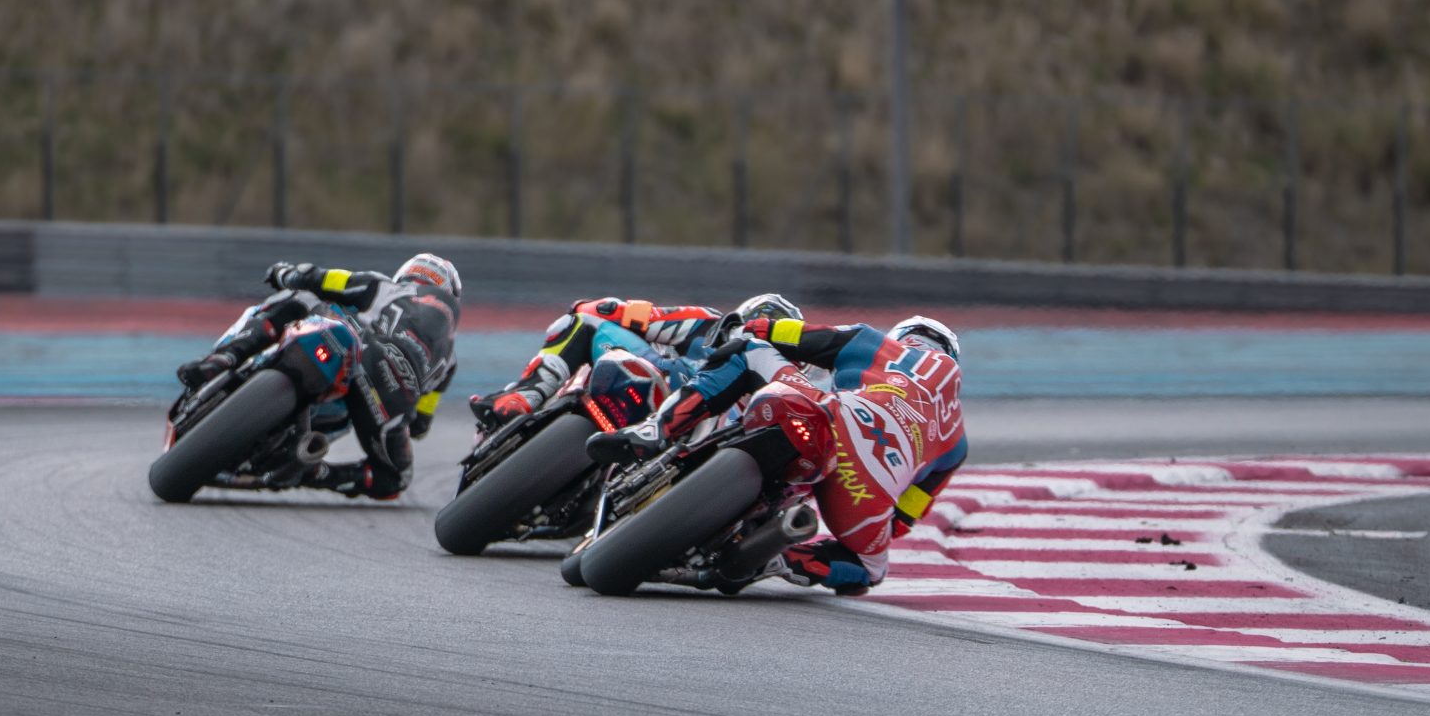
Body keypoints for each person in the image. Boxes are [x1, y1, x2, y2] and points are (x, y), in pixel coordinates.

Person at [617, 313, 968, 596]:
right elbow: (900, 523)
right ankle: (780, 559)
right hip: (862, 491)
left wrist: (747, 328)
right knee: (870, 569)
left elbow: (786, 333)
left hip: (834, 423)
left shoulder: (874, 342)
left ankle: (657, 428)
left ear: (901, 337)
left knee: (748, 349)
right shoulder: (957, 441)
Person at [175, 253, 462, 500]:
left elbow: (317, 277)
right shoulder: (448, 363)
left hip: (355, 349)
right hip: (385, 400)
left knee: (301, 296)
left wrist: (284, 273)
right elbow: (420, 425)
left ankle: (223, 358)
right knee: (394, 479)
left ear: (406, 275)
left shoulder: (385, 287)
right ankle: (315, 472)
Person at [469, 294, 766, 429]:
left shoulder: (775, 402)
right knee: (586, 321)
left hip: (693, 436)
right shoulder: (709, 324)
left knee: (586, 319)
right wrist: (606, 310)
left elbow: (620, 314)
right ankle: (525, 395)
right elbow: (636, 316)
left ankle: (524, 395)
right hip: (656, 388)